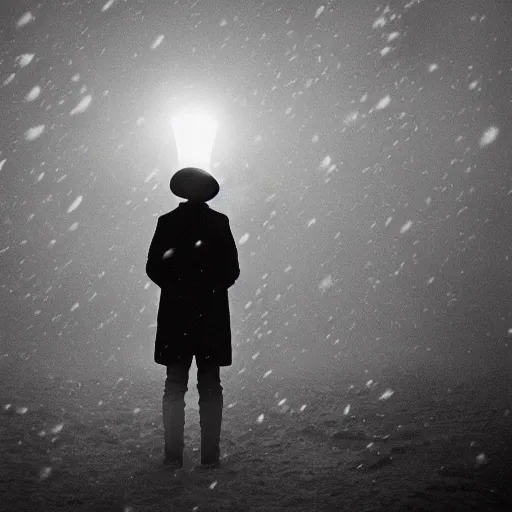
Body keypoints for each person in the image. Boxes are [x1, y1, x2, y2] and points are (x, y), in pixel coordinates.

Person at [146, 167, 240, 470]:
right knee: (210, 384)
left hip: (176, 314)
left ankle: (173, 456)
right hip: (211, 315)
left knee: (174, 384)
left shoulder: (168, 222)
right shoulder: (219, 222)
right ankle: (210, 457)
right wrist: (209, 289)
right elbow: (232, 270)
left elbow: (153, 267)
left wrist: (178, 289)